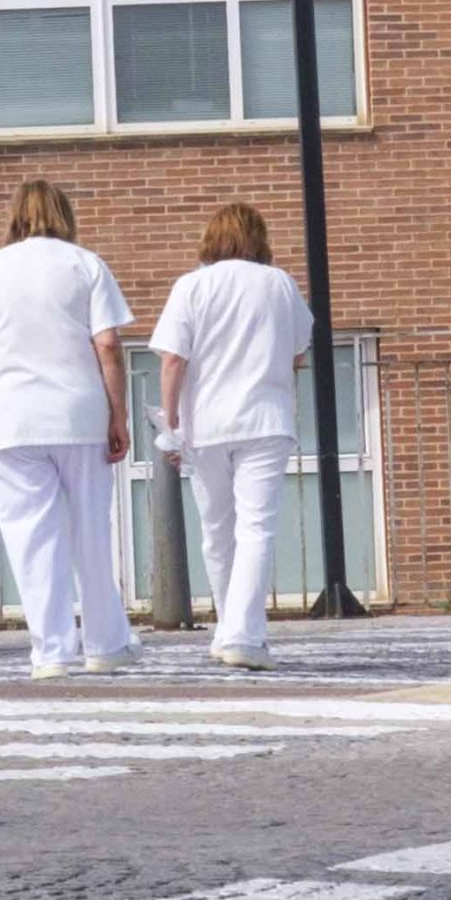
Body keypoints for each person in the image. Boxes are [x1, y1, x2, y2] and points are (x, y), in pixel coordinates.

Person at [0, 179, 137, 679]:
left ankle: (51, 652)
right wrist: (117, 413)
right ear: (64, 213)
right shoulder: (85, 264)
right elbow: (109, 346)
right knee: (92, 532)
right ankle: (105, 643)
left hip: (14, 421)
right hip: (78, 415)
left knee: (34, 540)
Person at [149, 200, 317, 672]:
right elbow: (298, 353)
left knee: (217, 531)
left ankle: (230, 628)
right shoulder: (280, 284)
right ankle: (243, 635)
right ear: (259, 238)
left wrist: (172, 420)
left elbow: (172, 360)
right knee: (256, 528)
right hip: (265, 419)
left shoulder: (192, 286)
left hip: (205, 423)